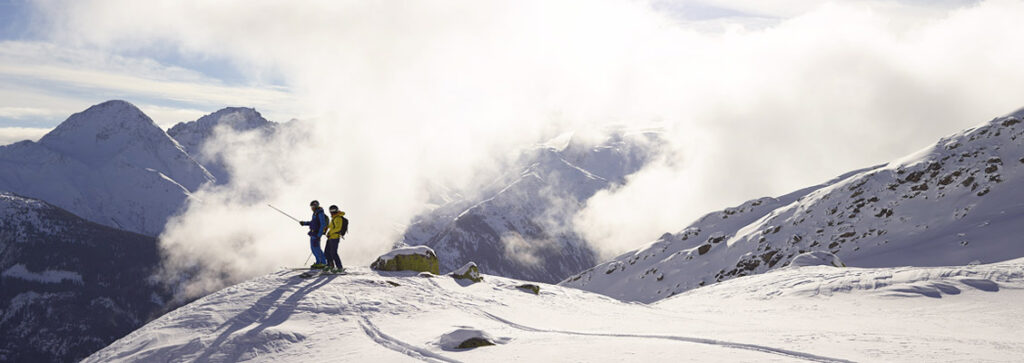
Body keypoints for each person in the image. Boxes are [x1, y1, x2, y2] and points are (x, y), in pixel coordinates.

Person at [299, 200, 328, 269]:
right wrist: (304, 223)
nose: (312, 208)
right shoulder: (315, 213)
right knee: (313, 248)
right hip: (312, 233)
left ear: (316, 206)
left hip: (316, 234)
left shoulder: (320, 213)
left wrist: (319, 235)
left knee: (317, 248)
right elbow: (313, 223)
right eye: (311, 206)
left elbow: (323, 224)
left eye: (313, 206)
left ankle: (323, 263)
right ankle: (318, 262)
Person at [324, 205, 346, 273]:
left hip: (335, 238)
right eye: (331, 211)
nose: (332, 212)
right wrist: (327, 232)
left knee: (333, 253)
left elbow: (338, 228)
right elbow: (331, 227)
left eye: (333, 211)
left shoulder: (338, 218)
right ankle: (330, 265)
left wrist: (330, 233)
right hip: (331, 237)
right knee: (327, 252)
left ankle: (340, 267)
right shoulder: (334, 218)